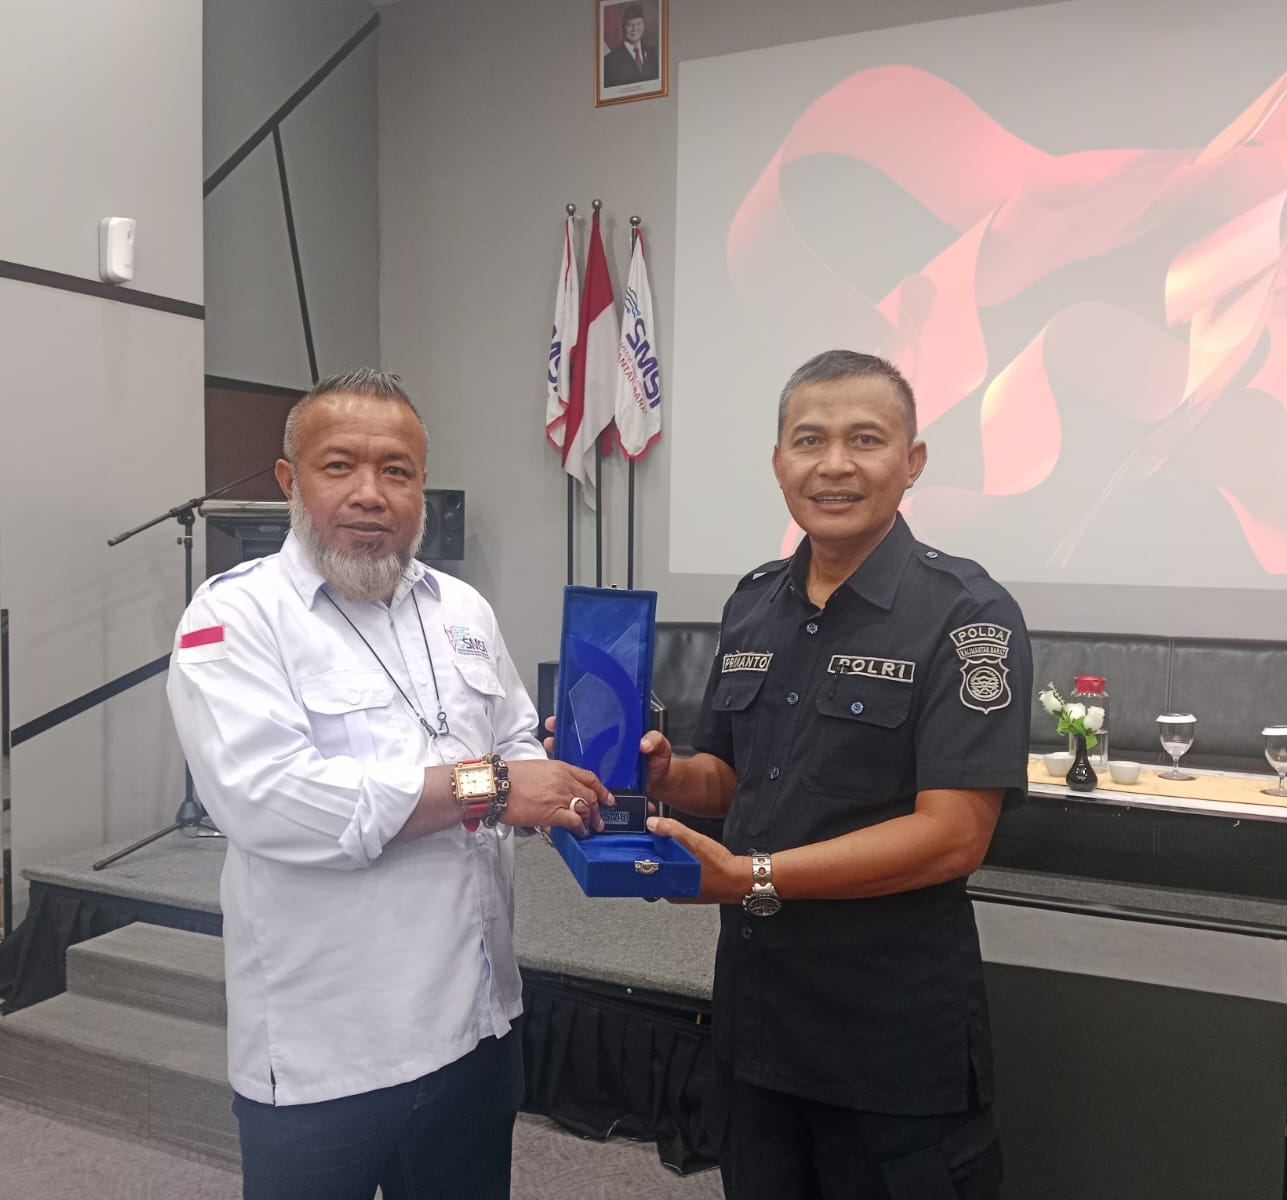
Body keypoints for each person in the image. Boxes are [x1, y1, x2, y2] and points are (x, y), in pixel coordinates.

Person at [167, 368, 612, 1200]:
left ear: (421, 486)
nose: (370, 493)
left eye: (396, 471)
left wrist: (560, 780)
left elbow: (513, 737)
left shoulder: (462, 609)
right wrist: (492, 788)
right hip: (328, 1050)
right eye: (340, 466)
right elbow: (271, 802)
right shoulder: (235, 616)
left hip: (479, 1026)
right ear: (290, 480)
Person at [641, 351, 1031, 1199]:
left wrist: (751, 877)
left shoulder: (967, 614)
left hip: (889, 1044)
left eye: (866, 440)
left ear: (912, 462)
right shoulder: (753, 603)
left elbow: (953, 838)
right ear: (779, 461)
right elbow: (734, 778)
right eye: (809, 440)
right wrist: (670, 776)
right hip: (756, 1026)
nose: (834, 465)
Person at [603, 3, 658, 87]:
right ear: (623, 28)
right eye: (629, 25)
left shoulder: (652, 53)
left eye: (638, 23)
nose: (634, 29)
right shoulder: (610, 60)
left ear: (644, 25)